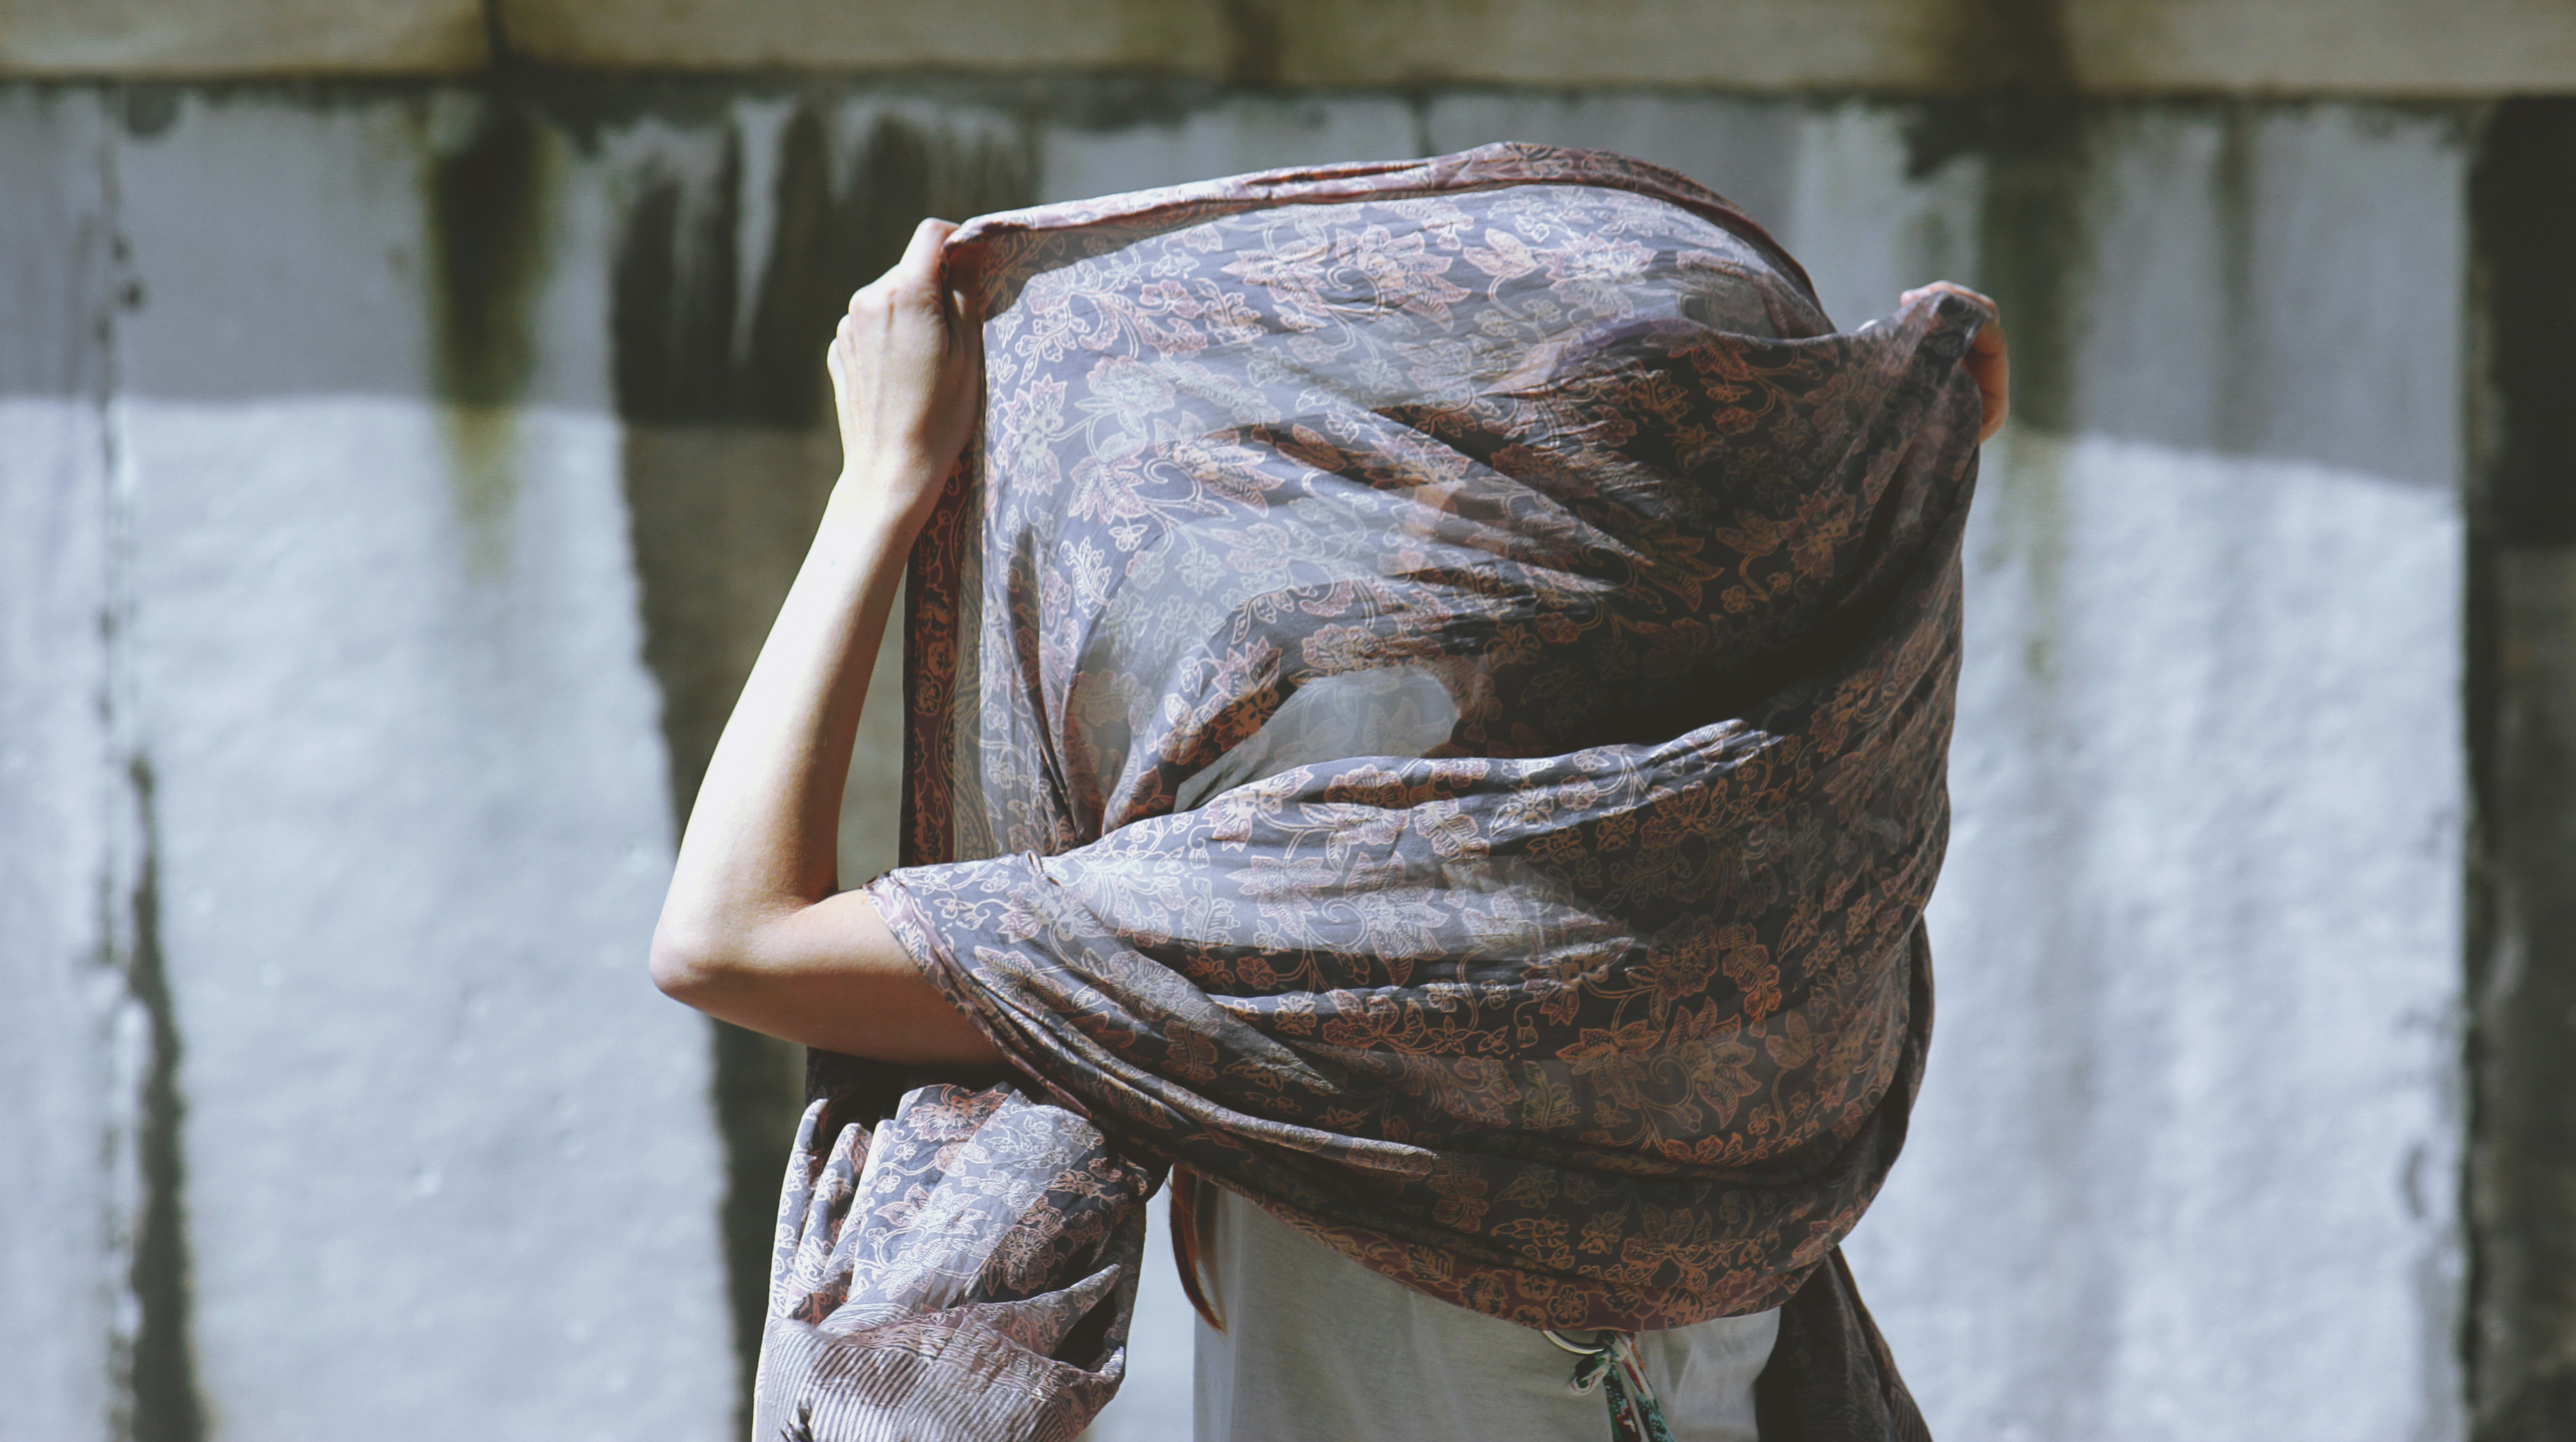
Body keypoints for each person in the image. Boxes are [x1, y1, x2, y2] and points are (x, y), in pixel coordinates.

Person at [650, 151, 2009, 1442]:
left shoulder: (1333, 908)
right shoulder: (1813, 868)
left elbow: (732, 939)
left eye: (1449, 480)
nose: (1393, 530)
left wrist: (883, 486)